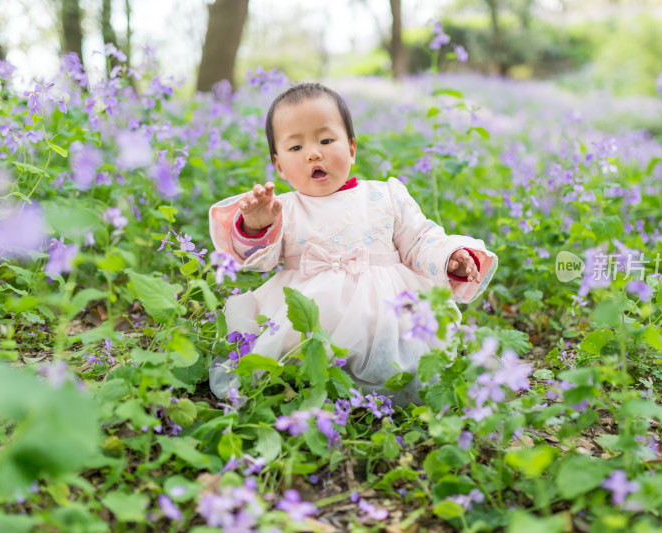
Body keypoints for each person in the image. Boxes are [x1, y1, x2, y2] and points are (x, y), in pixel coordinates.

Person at [208, 83, 497, 405]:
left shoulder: (385, 195)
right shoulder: (282, 209)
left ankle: (382, 384)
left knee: (405, 357)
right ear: (278, 165)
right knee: (289, 358)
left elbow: (419, 239)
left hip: (384, 312)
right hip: (308, 313)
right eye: (295, 148)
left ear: (351, 148)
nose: (313, 153)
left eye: (326, 140)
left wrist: (449, 256)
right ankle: (306, 382)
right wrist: (256, 225)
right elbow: (257, 260)